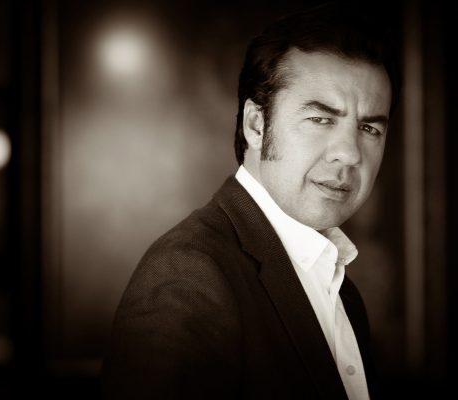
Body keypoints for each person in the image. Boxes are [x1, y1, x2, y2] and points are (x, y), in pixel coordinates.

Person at [101, 2, 400, 399]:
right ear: (256, 125)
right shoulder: (187, 277)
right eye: (320, 119)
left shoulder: (339, 287)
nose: (349, 153)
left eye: (369, 128)